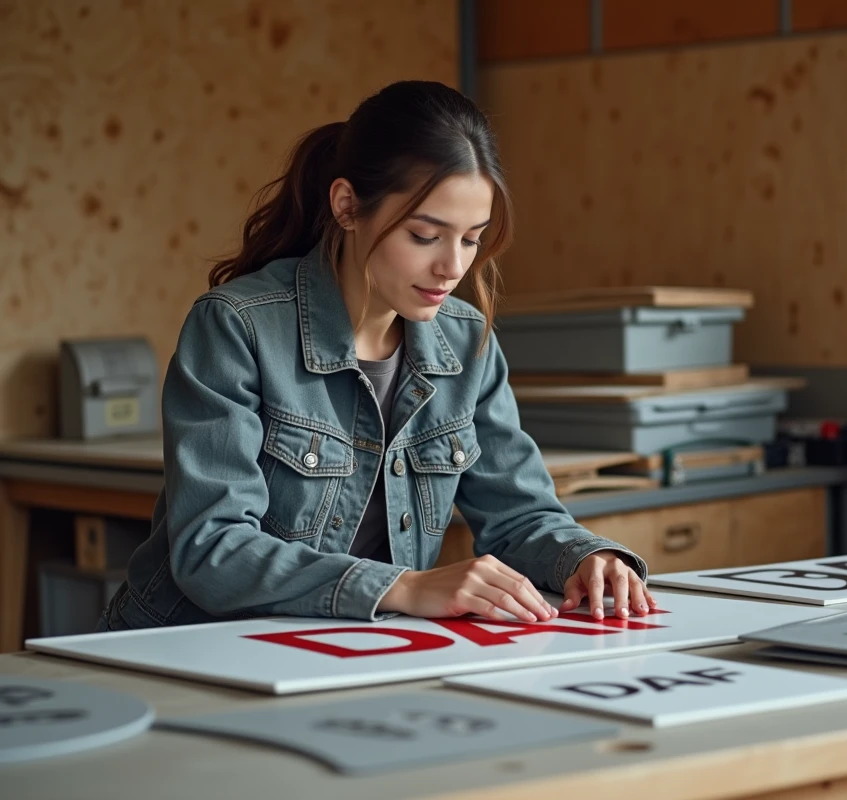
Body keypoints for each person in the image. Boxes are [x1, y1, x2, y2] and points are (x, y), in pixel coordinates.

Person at [98, 80, 654, 632]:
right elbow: (212, 548)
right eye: (425, 235)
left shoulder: (467, 341)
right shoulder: (236, 325)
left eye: (471, 239)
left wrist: (585, 557)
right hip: (189, 644)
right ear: (347, 206)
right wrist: (403, 587)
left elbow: (520, 513)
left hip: (344, 647)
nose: (452, 268)